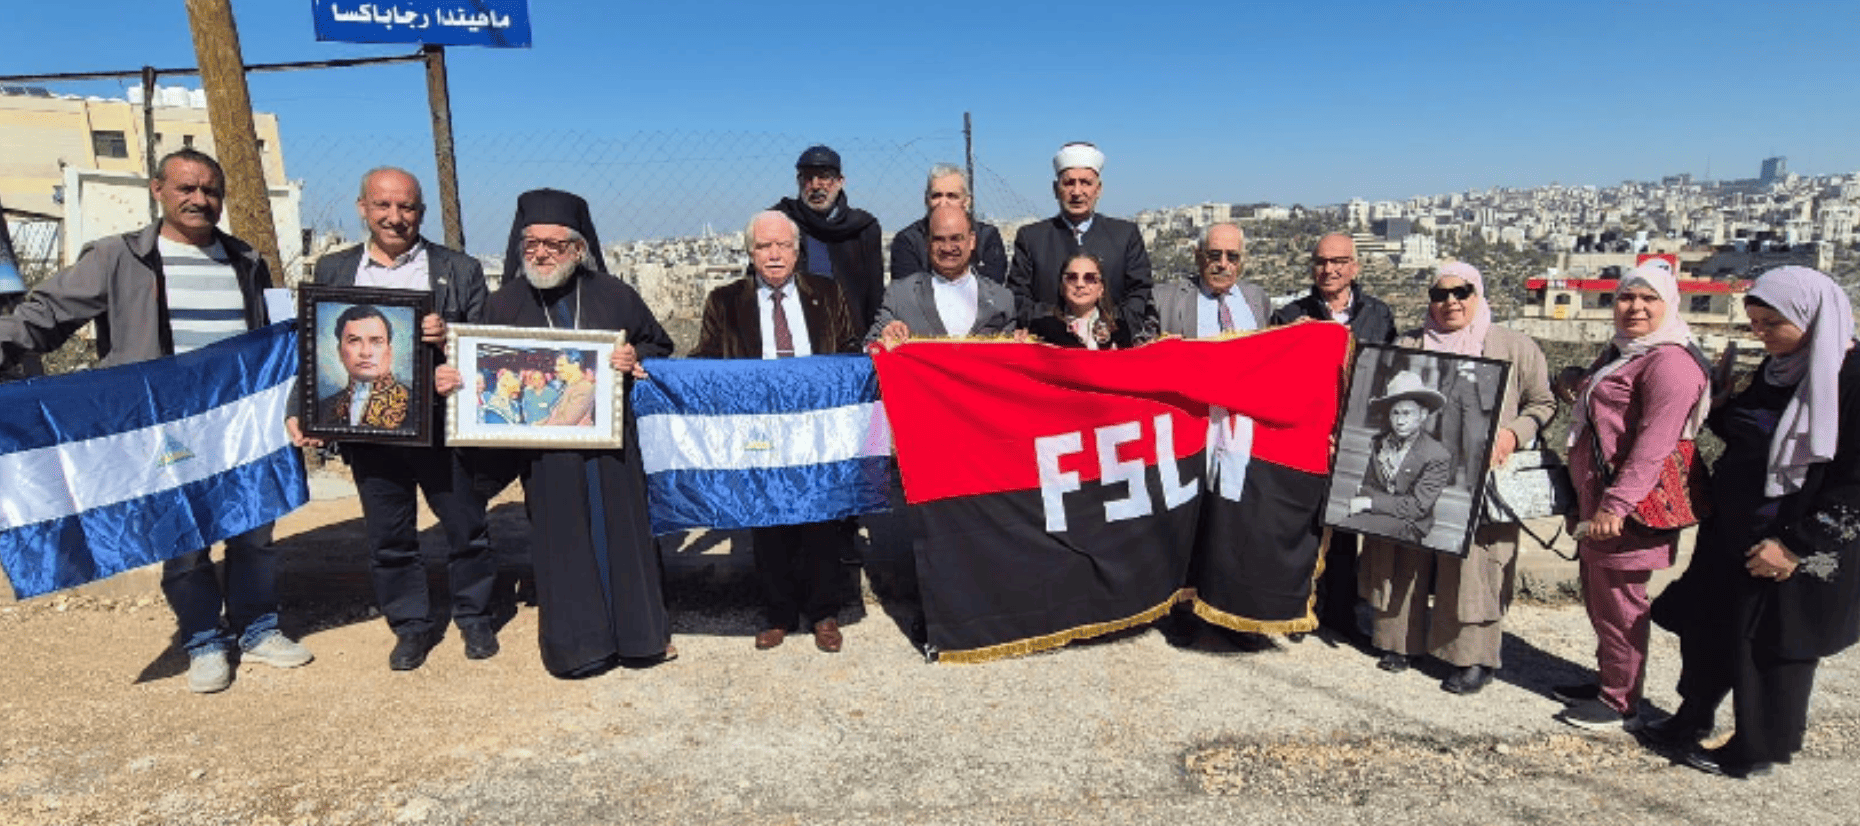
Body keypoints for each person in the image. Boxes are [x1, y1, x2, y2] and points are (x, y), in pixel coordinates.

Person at [0, 148, 310, 692]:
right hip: (163, 428)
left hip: (236, 424)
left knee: (255, 528)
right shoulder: (120, 257)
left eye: (210, 190)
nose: (199, 199)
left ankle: (258, 629)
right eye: (186, 188)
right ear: (158, 190)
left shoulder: (246, 259)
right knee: (182, 537)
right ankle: (203, 642)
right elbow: (46, 314)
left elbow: (273, 339)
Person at [288, 167, 499, 670]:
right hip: (369, 431)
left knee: (466, 527)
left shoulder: (458, 269)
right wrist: (303, 406)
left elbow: (484, 344)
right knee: (389, 536)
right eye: (383, 205)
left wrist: (449, 337)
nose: (394, 217)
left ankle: (475, 617)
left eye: (406, 207)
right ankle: (410, 626)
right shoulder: (334, 270)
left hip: (441, 427)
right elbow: (313, 346)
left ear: (420, 213)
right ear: (362, 208)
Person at [1653, 266, 1860, 778]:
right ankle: (1692, 717)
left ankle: (1757, 749)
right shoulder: (1777, 369)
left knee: (1770, 649)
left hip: (1791, 540)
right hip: (1733, 530)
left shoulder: (1849, 378)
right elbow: (1753, 434)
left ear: (1811, 318)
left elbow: (1853, 480)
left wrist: (1795, 545)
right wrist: (1719, 406)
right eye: (1755, 322)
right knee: (1708, 628)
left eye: (1772, 323)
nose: (1760, 334)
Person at [460, 188, 676, 678]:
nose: (540, 253)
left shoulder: (614, 294)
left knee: (624, 532)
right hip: (547, 456)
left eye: (554, 245)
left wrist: (634, 359)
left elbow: (657, 344)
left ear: (578, 249)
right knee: (563, 540)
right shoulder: (504, 304)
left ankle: (641, 638)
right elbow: (486, 375)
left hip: (613, 450)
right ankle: (580, 649)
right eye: (531, 242)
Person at [1357, 263, 1556, 694]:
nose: (1451, 301)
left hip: (1479, 476)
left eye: (1461, 292)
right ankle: (1399, 642)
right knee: (1403, 553)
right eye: (1440, 294)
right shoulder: (1407, 344)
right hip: (1414, 466)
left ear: (1478, 294)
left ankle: (1472, 657)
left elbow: (1542, 403)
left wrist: (1512, 434)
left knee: (1473, 567)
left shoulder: (1514, 347)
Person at [693, 210, 860, 652]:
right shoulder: (724, 302)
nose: (774, 254)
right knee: (768, 523)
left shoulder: (827, 293)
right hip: (759, 430)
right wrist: (656, 375)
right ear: (750, 253)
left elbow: (848, 351)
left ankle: (825, 611)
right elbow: (705, 361)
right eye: (764, 246)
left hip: (814, 427)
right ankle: (779, 613)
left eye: (782, 245)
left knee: (821, 519)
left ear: (797, 250)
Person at [1555, 263, 1711, 730]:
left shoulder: (1670, 363)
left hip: (1630, 508)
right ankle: (1611, 680)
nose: (1636, 308)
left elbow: (1654, 445)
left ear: (1669, 305)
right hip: (1601, 500)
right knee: (1602, 595)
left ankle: (1621, 702)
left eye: (1649, 299)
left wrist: (1615, 506)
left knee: (1622, 600)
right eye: (1627, 298)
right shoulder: (1625, 353)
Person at [1271, 232, 1399, 641]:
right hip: (1305, 436)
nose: (1330, 269)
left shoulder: (1379, 316)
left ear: (1354, 267)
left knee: (1346, 528)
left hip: (1355, 438)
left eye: (1339, 261)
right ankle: (1297, 608)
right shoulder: (1290, 314)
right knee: (1302, 526)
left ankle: (1342, 612)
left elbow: (1387, 375)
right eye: (1322, 261)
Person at [1007, 142, 1154, 337]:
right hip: (1050, 350)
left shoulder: (1125, 235)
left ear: (1098, 189)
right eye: (1069, 183)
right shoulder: (1031, 238)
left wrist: (1108, 323)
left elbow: (1140, 292)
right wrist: (1058, 321)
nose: (1077, 192)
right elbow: (1017, 297)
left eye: (1085, 182)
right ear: (1055, 189)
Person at [771, 145, 885, 332]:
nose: (816, 185)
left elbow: (875, 295)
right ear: (799, 182)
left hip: (850, 337)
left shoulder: (863, 228)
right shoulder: (781, 221)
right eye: (809, 178)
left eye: (824, 177)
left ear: (840, 182)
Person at [867, 203, 1016, 346]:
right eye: (939, 239)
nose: (947, 248)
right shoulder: (899, 295)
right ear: (927, 243)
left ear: (972, 241)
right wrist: (884, 335)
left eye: (956, 238)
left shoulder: (1002, 300)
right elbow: (869, 346)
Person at [1341, 371, 1453, 547]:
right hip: (1380, 513)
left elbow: (1417, 507)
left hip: (1410, 523)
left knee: (1349, 526)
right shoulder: (1380, 443)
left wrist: (1371, 502)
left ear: (1422, 415)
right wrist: (1369, 499)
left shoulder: (1437, 455)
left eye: (1407, 413)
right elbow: (1367, 487)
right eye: (1395, 413)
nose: (1400, 421)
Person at [887, 164, 1008, 284]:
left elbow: (992, 290)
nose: (943, 203)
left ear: (966, 202)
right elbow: (908, 293)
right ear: (926, 200)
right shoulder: (908, 241)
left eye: (952, 196)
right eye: (936, 196)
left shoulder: (986, 237)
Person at [1154, 223, 1269, 336]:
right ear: (1198, 257)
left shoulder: (1258, 298)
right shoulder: (1165, 300)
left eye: (1232, 256)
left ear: (1241, 260)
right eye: (1214, 255)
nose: (1223, 264)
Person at [314, 304, 411, 429]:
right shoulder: (324, 409)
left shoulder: (416, 405)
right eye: (354, 341)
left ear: (389, 351)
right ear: (339, 351)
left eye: (376, 342)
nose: (366, 352)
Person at [1026, 253, 1133, 350]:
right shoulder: (1043, 329)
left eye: (1090, 278)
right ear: (1062, 287)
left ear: (1101, 289)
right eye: (1072, 277)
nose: (1080, 284)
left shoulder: (1120, 330)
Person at [537, 350, 596, 426]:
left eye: (561, 365)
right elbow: (555, 417)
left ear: (575, 365)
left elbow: (566, 422)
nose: (556, 369)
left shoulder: (584, 388)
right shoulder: (571, 386)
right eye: (556, 365)